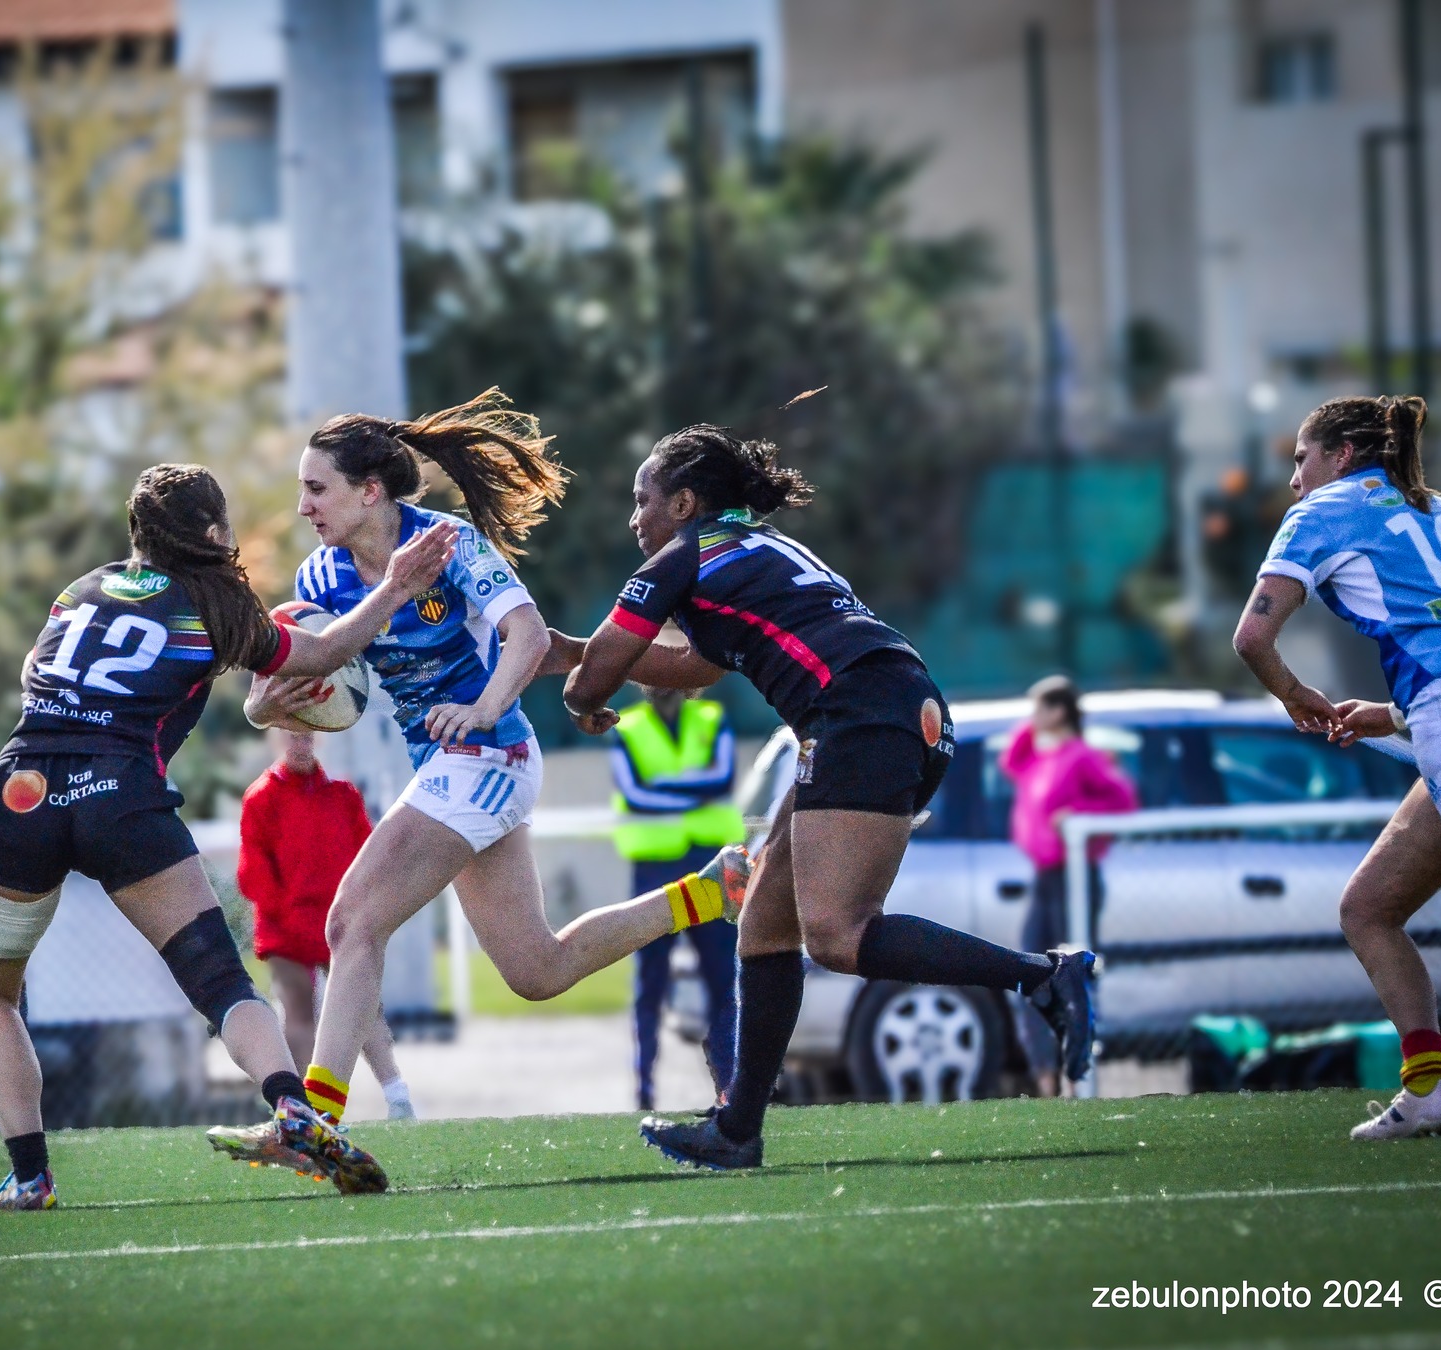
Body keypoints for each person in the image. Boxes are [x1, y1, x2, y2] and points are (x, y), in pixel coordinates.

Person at [553, 423, 1095, 1170]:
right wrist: (586, 659)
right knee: (766, 929)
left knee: (836, 936)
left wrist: (579, 681)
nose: (633, 518)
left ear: (682, 502)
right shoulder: (757, 542)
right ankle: (736, 1131)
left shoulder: (680, 558)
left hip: (859, 716)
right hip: (892, 706)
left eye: (641, 500)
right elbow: (703, 667)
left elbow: (594, 684)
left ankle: (1045, 976)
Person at [242, 389, 750, 1160]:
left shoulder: (447, 542)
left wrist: (481, 708)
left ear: (369, 491)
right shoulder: (319, 579)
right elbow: (272, 687)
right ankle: (709, 892)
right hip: (446, 768)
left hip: (490, 755)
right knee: (536, 969)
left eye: (317, 488)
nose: (304, 505)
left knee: (352, 921)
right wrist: (269, 700)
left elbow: (525, 635)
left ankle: (313, 1124)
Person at [0, 464, 457, 1210]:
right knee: (219, 980)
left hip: (21, 789)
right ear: (214, 533)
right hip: (119, 795)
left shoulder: (81, 589)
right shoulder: (217, 603)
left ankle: (30, 1176)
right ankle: (292, 1109)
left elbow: (40, 673)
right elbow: (316, 656)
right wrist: (394, 588)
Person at [1233, 394, 1441, 1141]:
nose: (1293, 480)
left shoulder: (1327, 510)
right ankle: (1428, 1091)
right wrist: (1395, 713)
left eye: (1300, 459)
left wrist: (1293, 695)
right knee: (1369, 908)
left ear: (1342, 456)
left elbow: (1252, 637)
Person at [235, 726, 415, 1120]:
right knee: (298, 1016)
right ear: (277, 741)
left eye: (306, 736)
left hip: (340, 923)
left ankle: (397, 1094)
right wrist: (291, 913)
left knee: (363, 1008)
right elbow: (253, 873)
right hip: (286, 929)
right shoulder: (262, 797)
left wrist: (359, 910)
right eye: (292, 737)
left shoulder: (342, 795)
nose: (300, 744)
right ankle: (299, 1108)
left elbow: (365, 854)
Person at [998, 674, 1137, 1096]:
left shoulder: (1081, 756)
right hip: (1043, 880)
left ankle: (1077, 1076)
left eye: (1040, 708)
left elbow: (1122, 801)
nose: (1031, 718)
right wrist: (1035, 719)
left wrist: (1077, 811)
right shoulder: (1041, 758)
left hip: (1074, 879)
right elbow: (1011, 759)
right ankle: (1045, 1076)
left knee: (1073, 975)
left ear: (1059, 712)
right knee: (1030, 974)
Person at [609, 684, 742, 1107]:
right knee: (651, 983)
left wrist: (665, 789)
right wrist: (692, 792)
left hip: (708, 867)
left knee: (724, 979)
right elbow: (634, 795)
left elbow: (721, 780)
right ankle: (644, 1091)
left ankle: (731, 1086)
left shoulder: (711, 719)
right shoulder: (626, 728)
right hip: (655, 869)